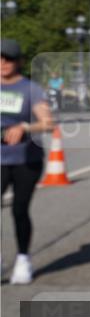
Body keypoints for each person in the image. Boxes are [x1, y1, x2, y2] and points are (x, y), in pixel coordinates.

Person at [1, 39, 54, 284]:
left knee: (19, 210)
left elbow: (47, 122)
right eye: (0, 58)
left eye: (8, 58)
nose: (3, 63)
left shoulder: (30, 89)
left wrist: (24, 126)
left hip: (26, 159)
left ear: (19, 62)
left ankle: (23, 259)